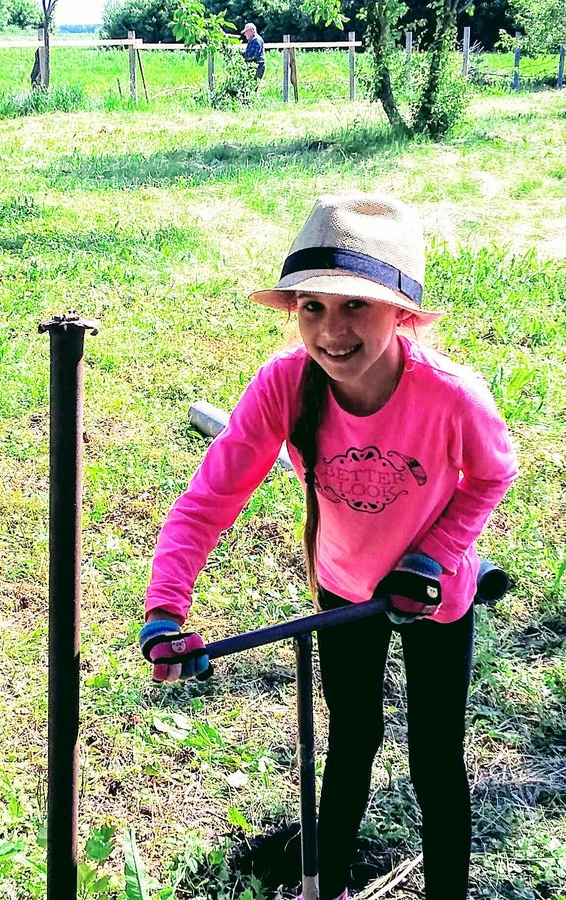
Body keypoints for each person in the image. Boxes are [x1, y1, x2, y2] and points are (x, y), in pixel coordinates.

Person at [139, 195, 518, 899]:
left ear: (401, 313)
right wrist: (165, 609)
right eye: (312, 307)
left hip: (434, 597)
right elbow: (208, 501)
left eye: (355, 308)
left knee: (436, 760)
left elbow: (493, 475)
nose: (331, 331)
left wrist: (432, 556)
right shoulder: (285, 385)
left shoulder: (452, 396)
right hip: (344, 589)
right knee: (350, 742)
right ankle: (327, 886)